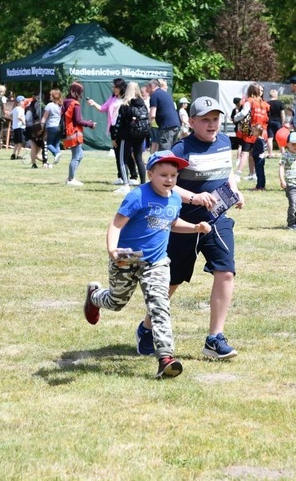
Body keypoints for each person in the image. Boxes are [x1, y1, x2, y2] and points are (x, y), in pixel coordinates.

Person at [83, 151, 212, 378]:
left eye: (173, 175)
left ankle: (165, 358)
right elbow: (115, 225)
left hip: (157, 262)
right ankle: (94, 296)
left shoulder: (173, 198)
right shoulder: (137, 197)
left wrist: (194, 228)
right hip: (127, 256)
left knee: (159, 305)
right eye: (163, 175)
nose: (169, 180)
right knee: (117, 301)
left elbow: (171, 222)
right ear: (150, 174)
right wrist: (112, 250)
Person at [136, 96, 245, 360]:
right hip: (183, 224)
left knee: (226, 270)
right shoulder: (181, 148)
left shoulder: (224, 142)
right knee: (172, 281)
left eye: (215, 119)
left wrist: (235, 190)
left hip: (217, 220)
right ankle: (147, 329)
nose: (211, 125)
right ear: (192, 121)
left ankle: (214, 339)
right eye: (205, 120)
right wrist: (194, 198)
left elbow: (227, 172)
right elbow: (167, 183)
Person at [88, 78, 135, 185]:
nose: (113, 88)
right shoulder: (112, 98)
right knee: (117, 152)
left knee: (127, 153)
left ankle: (133, 176)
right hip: (114, 128)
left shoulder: (127, 99)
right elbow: (102, 108)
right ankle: (121, 176)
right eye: (113, 87)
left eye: (115, 87)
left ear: (120, 88)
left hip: (124, 128)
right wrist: (94, 103)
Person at [112, 81, 149, 194]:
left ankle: (125, 185)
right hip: (140, 135)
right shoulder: (143, 104)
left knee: (123, 159)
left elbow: (119, 123)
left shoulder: (125, 105)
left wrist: (114, 137)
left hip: (127, 136)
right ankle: (143, 183)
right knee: (139, 158)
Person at [233, 83, 270, 181]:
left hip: (250, 132)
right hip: (261, 132)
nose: (261, 92)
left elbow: (243, 113)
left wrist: (235, 118)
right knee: (254, 154)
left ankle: (238, 175)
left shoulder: (250, 101)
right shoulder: (265, 104)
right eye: (260, 90)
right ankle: (252, 174)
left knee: (245, 153)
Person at [62, 82, 96, 186]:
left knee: (80, 155)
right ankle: (71, 179)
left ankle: (70, 177)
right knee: (76, 156)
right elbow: (77, 120)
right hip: (74, 133)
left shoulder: (66, 102)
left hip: (68, 132)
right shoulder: (75, 104)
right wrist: (90, 124)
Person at [147, 78, 181, 152]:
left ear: (152, 86)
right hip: (176, 124)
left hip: (166, 127)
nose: (147, 91)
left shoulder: (154, 95)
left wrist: (148, 125)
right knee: (173, 150)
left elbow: (152, 114)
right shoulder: (166, 94)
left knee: (164, 151)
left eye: (147, 88)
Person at [41, 89, 63, 165]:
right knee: (57, 143)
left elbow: (44, 117)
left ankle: (56, 153)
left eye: (51, 95)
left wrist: (41, 125)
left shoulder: (49, 105)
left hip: (51, 126)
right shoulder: (61, 106)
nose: (49, 96)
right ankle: (57, 156)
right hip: (59, 127)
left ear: (53, 97)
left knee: (48, 144)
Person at [249, 124, 268, 191]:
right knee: (261, 172)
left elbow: (260, 150)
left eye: (253, 131)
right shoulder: (261, 139)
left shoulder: (259, 140)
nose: (252, 133)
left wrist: (253, 155)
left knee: (259, 173)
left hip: (259, 159)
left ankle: (259, 186)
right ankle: (261, 185)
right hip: (260, 158)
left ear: (258, 131)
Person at [266, 89, 284, 155]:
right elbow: (282, 113)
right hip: (278, 122)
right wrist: (283, 122)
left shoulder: (267, 103)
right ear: (276, 95)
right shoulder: (280, 103)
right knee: (279, 138)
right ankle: (282, 152)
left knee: (270, 138)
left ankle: (270, 153)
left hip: (269, 122)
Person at [9, 95, 26, 161]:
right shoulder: (21, 109)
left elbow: (10, 115)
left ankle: (13, 154)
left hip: (15, 127)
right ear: (20, 102)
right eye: (23, 101)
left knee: (16, 142)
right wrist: (24, 122)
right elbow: (19, 117)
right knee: (20, 142)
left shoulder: (15, 109)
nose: (24, 102)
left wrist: (13, 120)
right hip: (20, 127)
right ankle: (18, 155)